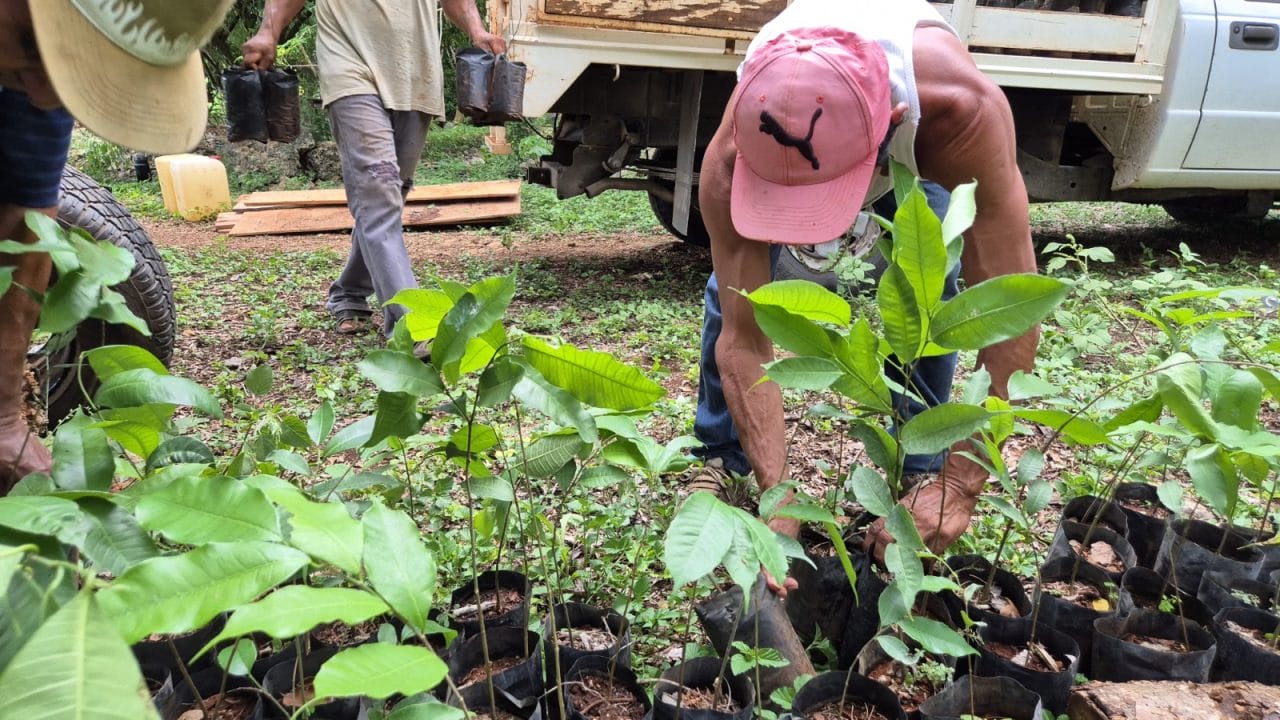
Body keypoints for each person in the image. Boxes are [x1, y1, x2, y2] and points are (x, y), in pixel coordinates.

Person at [697, 0, 1040, 579]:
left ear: (894, 119)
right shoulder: (731, 157)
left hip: (912, 142)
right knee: (732, 294)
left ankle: (924, 466)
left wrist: (960, 487)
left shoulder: (961, 117)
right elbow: (744, 340)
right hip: (833, 136)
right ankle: (719, 451)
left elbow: (1011, 309)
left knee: (930, 287)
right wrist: (778, 496)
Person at [0, 0, 237, 495]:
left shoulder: (35, 82)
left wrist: (4, 415)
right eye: (31, 44)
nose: (47, 93)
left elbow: (24, 221)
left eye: (68, 69)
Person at [242, 0, 506, 339]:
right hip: (349, 70)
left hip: (416, 72)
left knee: (390, 196)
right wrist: (268, 30)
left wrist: (476, 29)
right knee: (379, 195)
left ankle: (349, 291)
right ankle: (412, 324)